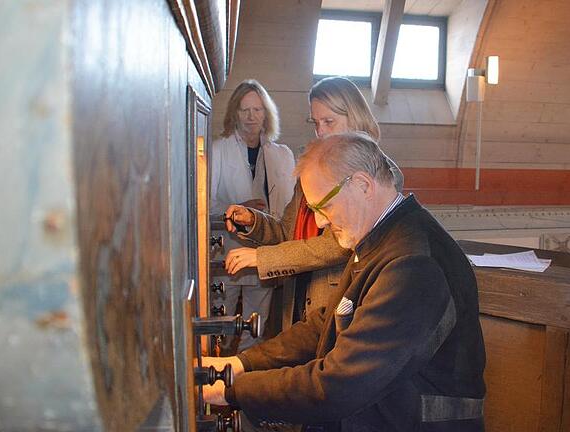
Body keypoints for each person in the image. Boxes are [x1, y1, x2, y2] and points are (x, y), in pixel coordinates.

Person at [203, 132, 486, 431]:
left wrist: (233, 390)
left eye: (323, 207)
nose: (321, 222)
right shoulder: (378, 238)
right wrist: (243, 364)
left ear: (362, 185)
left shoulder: (413, 264)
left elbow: (340, 385)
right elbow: (326, 324)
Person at [221, 77, 403, 332]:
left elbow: (337, 245)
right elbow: (287, 231)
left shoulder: (379, 172)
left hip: (336, 298)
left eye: (329, 121)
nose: (321, 132)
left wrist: (263, 257)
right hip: (299, 294)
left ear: (355, 116)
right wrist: (254, 221)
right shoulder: (316, 166)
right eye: (316, 123)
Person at [209, 79, 295, 351]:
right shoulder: (219, 149)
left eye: (257, 110)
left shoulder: (282, 154)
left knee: (257, 322)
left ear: (266, 114)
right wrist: (239, 208)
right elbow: (205, 204)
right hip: (227, 250)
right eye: (244, 110)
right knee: (219, 318)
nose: (251, 116)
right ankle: (216, 370)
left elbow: (289, 205)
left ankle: (247, 375)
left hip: (265, 250)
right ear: (234, 112)